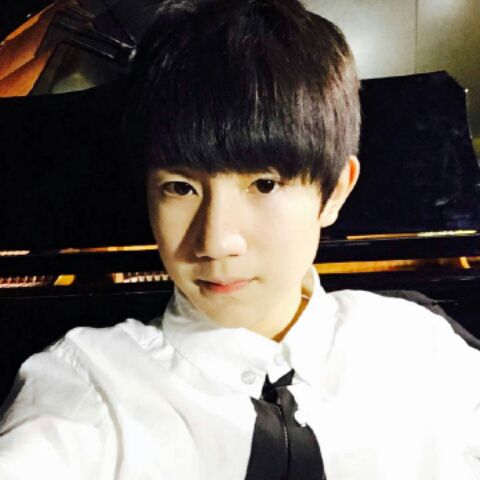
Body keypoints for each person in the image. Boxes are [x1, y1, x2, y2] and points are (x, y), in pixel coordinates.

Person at [1, 0, 480, 478]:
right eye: (180, 188)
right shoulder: (87, 388)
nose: (215, 242)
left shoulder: (424, 351)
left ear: (335, 191)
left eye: (264, 184)